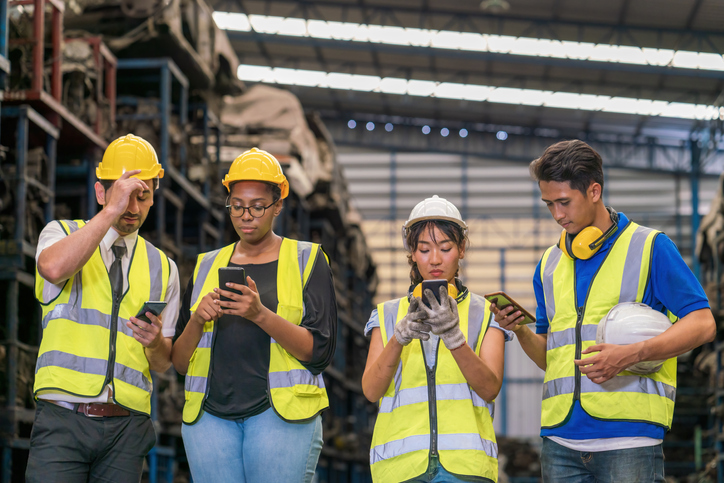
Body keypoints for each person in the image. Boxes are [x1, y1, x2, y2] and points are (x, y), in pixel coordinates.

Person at [494, 140, 716, 482]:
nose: (557, 215)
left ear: (594, 190)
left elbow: (703, 324)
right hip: (559, 441)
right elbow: (550, 358)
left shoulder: (650, 247)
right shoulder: (549, 265)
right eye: (549, 204)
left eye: (564, 202)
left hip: (628, 441)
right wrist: (520, 330)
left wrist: (632, 354)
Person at [171, 147, 337, 483]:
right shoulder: (206, 265)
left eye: (258, 207)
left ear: (277, 206)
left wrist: (260, 314)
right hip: (210, 419)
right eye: (237, 206)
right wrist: (197, 319)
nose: (246, 215)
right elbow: (179, 362)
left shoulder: (307, 259)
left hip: (280, 416)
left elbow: (319, 353)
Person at [28, 134, 180, 482]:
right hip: (63, 421)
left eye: (143, 197)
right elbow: (52, 268)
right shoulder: (60, 233)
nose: (134, 207)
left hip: (126, 431)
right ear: (101, 192)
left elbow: (162, 363)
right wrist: (111, 211)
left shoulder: (164, 268)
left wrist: (156, 343)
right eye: (125, 194)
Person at [362, 195, 511, 483]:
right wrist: (398, 338)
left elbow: (490, 388)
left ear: (462, 249)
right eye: (424, 249)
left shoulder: (485, 312)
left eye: (445, 248)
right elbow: (370, 391)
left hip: (466, 468)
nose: (434, 259)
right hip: (399, 468)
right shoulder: (388, 314)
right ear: (412, 253)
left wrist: (455, 338)